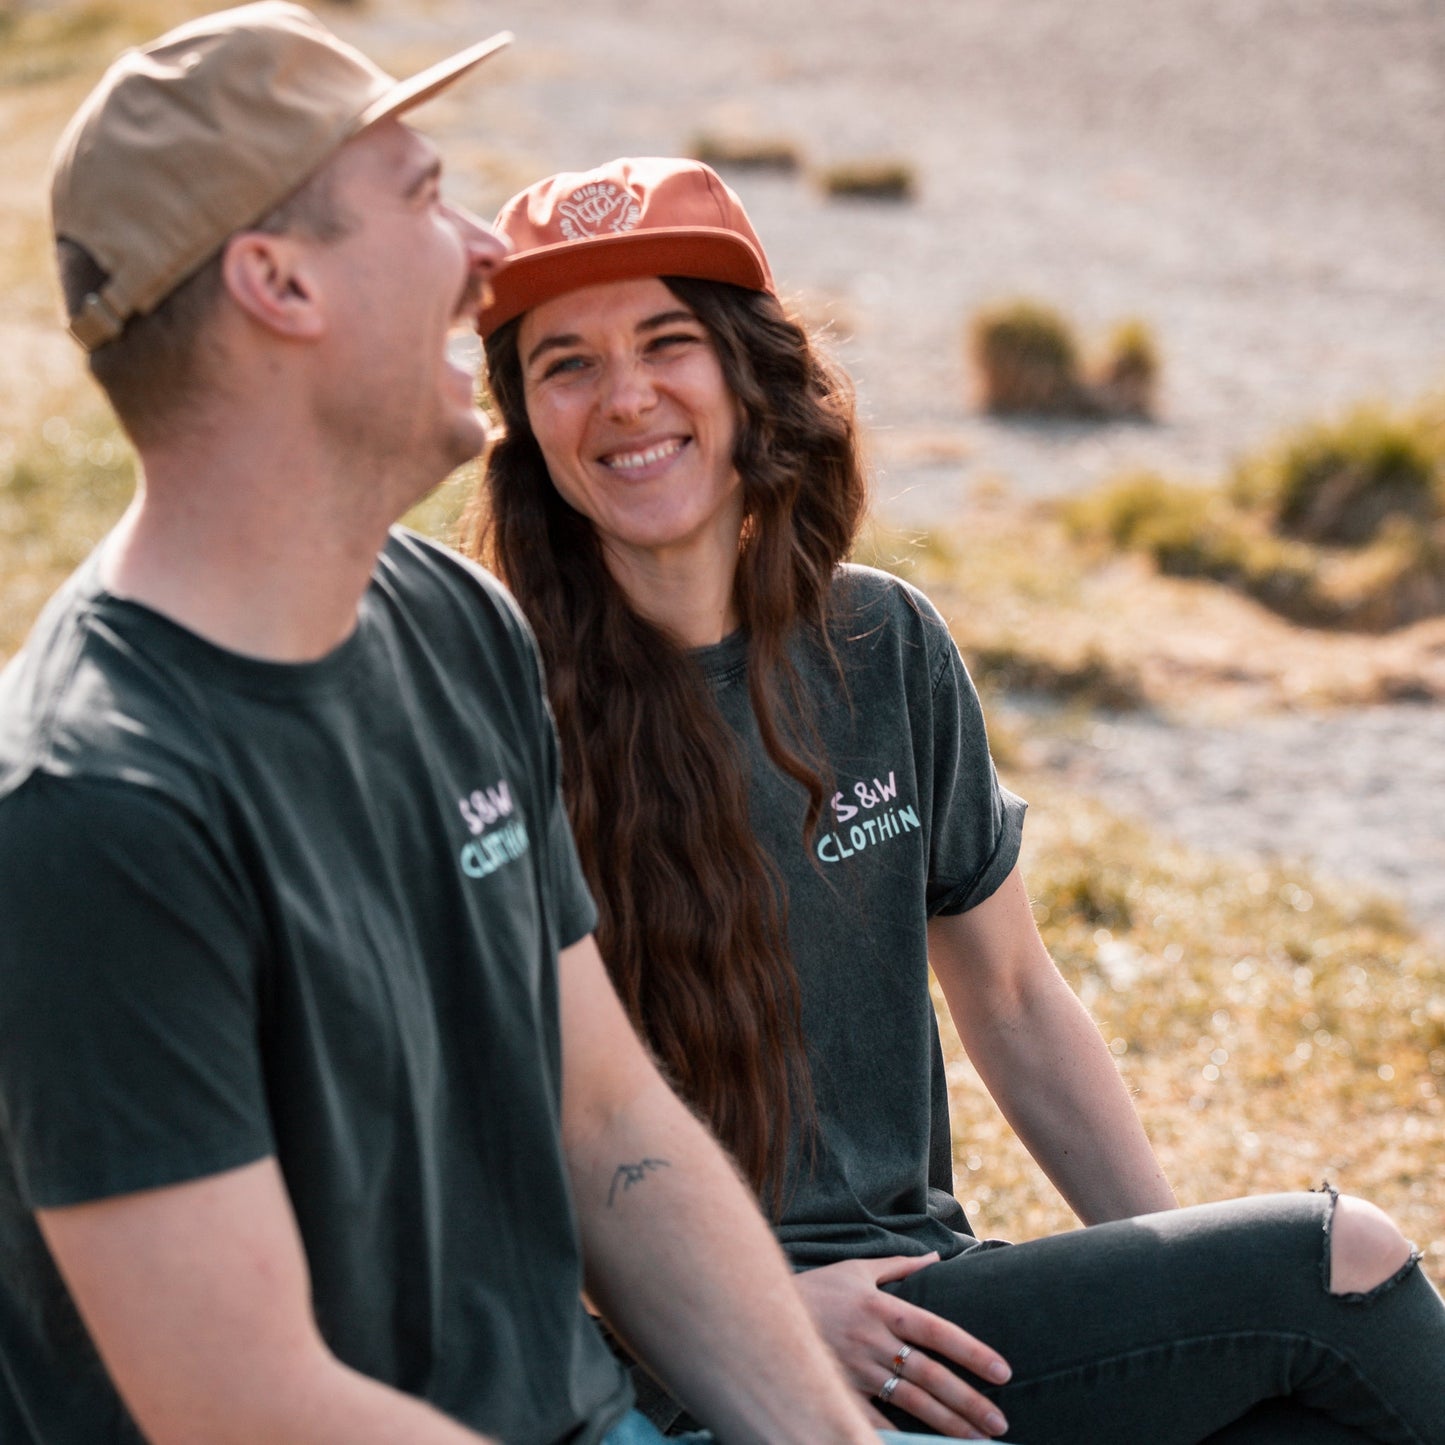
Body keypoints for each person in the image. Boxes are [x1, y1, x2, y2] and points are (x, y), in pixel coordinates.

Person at [0, 11, 927, 1445]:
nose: (486, 251)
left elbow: (611, 1123)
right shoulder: (89, 809)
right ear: (278, 282)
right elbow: (239, 1402)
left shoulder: (453, 624)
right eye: (426, 198)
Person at [466, 154, 1445, 1444]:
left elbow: (1017, 996)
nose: (628, 396)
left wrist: (1179, 1275)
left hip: (928, 1305)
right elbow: (487, 1134)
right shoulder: (486, 707)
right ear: (526, 423)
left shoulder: (879, 644)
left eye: (667, 340)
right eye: (566, 363)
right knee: (1345, 1265)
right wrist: (750, 1314)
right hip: (683, 1347)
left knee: (1289, 1410)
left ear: (749, 375)